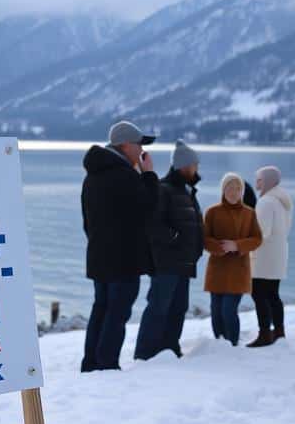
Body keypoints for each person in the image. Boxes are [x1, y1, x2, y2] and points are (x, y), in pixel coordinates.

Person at [80, 121, 159, 372]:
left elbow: (87, 221)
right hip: (124, 261)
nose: (141, 151)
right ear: (125, 145)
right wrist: (148, 175)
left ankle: (91, 362)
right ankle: (107, 363)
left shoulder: (92, 176)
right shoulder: (125, 175)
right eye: (139, 145)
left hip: (99, 257)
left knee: (101, 310)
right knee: (117, 314)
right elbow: (149, 209)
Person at [134, 141, 204, 361]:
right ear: (184, 166)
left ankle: (169, 348)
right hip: (167, 261)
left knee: (178, 308)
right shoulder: (164, 189)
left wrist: (196, 249)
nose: (196, 169)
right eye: (194, 165)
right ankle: (145, 353)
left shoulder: (187, 191)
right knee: (158, 307)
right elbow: (153, 223)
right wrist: (174, 238)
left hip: (185, 262)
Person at [203, 173, 262, 346]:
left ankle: (232, 345)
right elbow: (205, 239)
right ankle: (219, 344)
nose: (233, 192)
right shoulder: (212, 212)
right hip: (217, 270)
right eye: (229, 188)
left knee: (228, 310)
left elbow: (257, 239)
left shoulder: (249, 213)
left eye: (237, 189)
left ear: (242, 192)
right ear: (223, 190)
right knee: (215, 311)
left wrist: (237, 245)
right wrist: (220, 247)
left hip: (238, 270)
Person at [247, 166, 294, 347]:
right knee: (273, 294)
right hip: (278, 254)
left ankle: (265, 333)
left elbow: (262, 232)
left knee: (258, 294)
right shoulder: (283, 200)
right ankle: (279, 331)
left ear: (267, 181)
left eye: (259, 179)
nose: (256, 182)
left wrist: (244, 241)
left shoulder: (266, 201)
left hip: (263, 257)